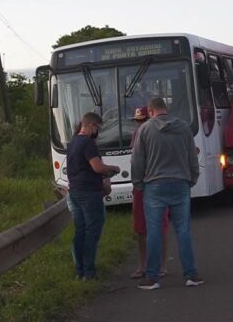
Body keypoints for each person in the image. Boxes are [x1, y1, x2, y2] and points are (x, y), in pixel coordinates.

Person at [131, 97, 203, 290]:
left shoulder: (145, 130)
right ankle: (191, 275)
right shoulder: (183, 128)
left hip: (154, 186)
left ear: (151, 111)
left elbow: (137, 161)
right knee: (183, 230)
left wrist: (138, 184)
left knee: (153, 232)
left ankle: (152, 277)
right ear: (166, 109)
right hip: (180, 183)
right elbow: (191, 156)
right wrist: (192, 178)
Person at [66, 112, 120, 280]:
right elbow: (97, 167)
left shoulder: (73, 142)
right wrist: (114, 168)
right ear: (90, 125)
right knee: (92, 231)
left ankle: (79, 270)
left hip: (74, 191)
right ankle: (89, 272)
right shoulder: (88, 143)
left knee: (80, 231)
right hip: (89, 193)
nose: (98, 131)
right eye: (97, 127)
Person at [129, 106, 170, 279]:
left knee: (160, 226)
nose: (140, 124)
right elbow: (134, 161)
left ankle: (161, 265)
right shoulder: (136, 135)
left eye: (143, 120)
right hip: (141, 185)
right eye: (138, 121)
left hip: (158, 183)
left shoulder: (161, 135)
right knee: (141, 228)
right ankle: (144, 264)